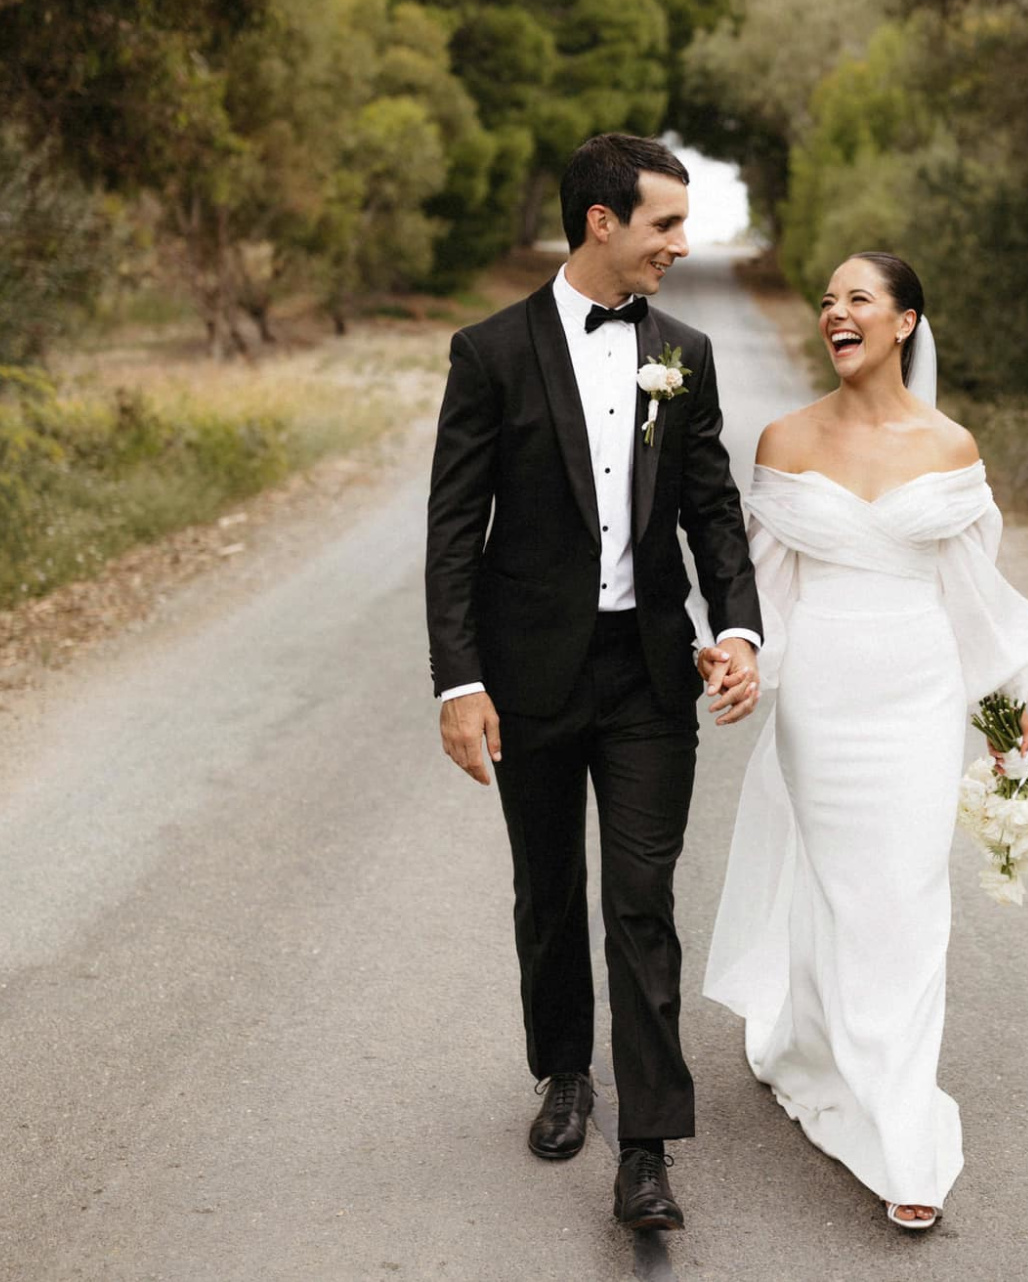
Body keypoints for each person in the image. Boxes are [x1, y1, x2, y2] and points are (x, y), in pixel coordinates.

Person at [424, 133, 764, 1233]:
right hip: (526, 672)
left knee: (640, 898)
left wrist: (740, 627)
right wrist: (457, 682)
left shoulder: (686, 351)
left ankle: (648, 1147)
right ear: (600, 221)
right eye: (665, 223)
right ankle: (563, 1068)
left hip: (647, 671)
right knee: (545, 888)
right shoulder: (489, 353)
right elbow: (450, 533)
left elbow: (710, 505)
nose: (681, 243)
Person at [702, 252, 1028, 1230]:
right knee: (837, 891)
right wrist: (739, 662)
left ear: (904, 321)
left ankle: (901, 1135)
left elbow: (972, 602)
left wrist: (1000, 719)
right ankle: (819, 1041)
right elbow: (763, 594)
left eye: (856, 298)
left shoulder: (949, 448)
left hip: (917, 695)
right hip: (822, 693)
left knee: (904, 898)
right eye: (825, 300)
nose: (834, 312)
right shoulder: (785, 438)